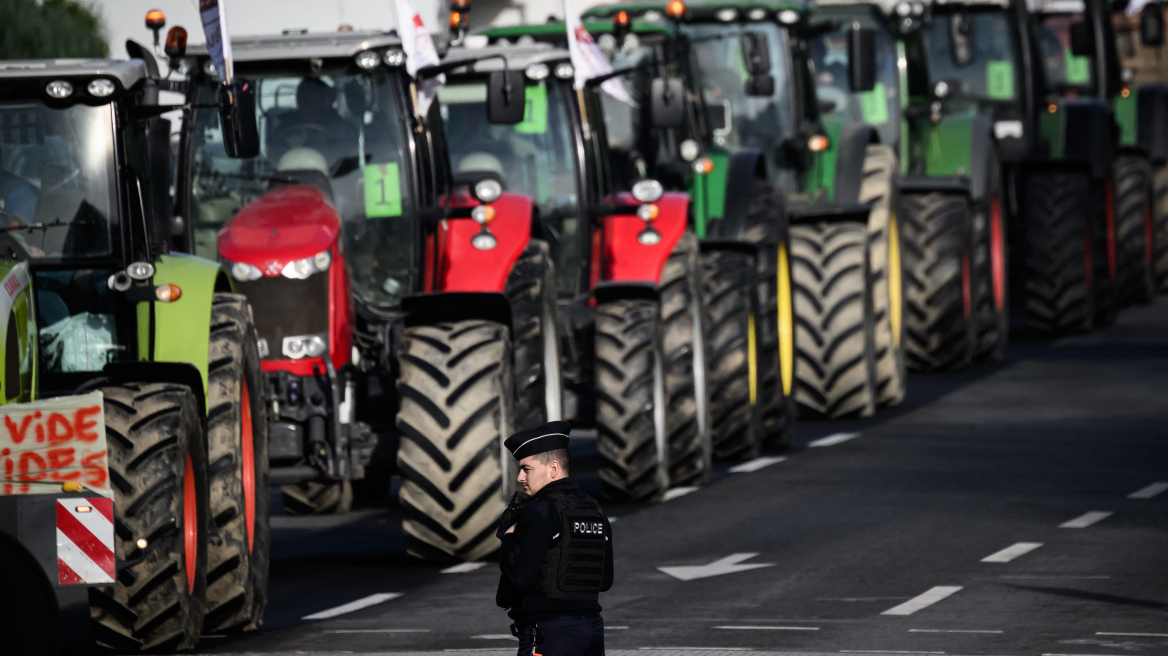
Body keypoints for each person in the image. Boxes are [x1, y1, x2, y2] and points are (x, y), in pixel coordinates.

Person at [496, 421, 613, 656]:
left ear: (553, 468)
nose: (520, 477)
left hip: (550, 631)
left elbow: (521, 578)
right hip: (591, 628)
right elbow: (605, 580)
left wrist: (508, 540)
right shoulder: (595, 510)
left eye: (526, 469)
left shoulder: (540, 511)